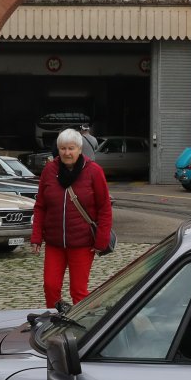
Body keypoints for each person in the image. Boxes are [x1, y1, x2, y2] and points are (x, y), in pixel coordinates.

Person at [29, 128, 113, 309]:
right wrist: (36, 236)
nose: (67, 153)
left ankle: (81, 321)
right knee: (50, 286)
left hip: (83, 243)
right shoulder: (49, 170)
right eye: (63, 148)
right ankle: (54, 318)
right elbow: (41, 206)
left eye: (71, 148)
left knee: (78, 290)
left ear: (79, 149)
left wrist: (101, 240)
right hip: (55, 243)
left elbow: (105, 208)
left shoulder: (93, 171)